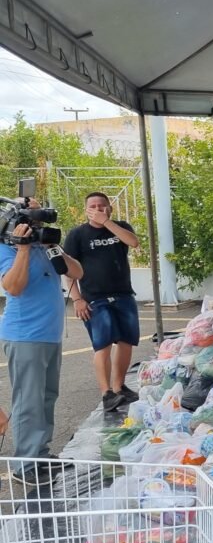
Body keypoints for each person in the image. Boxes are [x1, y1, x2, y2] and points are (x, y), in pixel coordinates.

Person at [0, 200, 84, 486]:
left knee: (47, 397)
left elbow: (77, 273)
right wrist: (23, 249)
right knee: (28, 401)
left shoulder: (43, 246)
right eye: (31, 220)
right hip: (25, 335)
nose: (36, 225)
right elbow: (14, 286)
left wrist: (53, 245)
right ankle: (24, 465)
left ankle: (41, 455)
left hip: (49, 334)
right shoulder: (6, 249)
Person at [63, 192, 141, 412]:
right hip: (94, 298)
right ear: (86, 210)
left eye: (102, 205)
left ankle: (119, 387)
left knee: (126, 341)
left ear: (110, 208)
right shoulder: (77, 235)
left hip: (123, 294)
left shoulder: (120, 227)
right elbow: (68, 270)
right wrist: (77, 299)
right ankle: (106, 393)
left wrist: (106, 222)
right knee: (103, 344)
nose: (97, 209)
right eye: (93, 206)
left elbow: (133, 242)